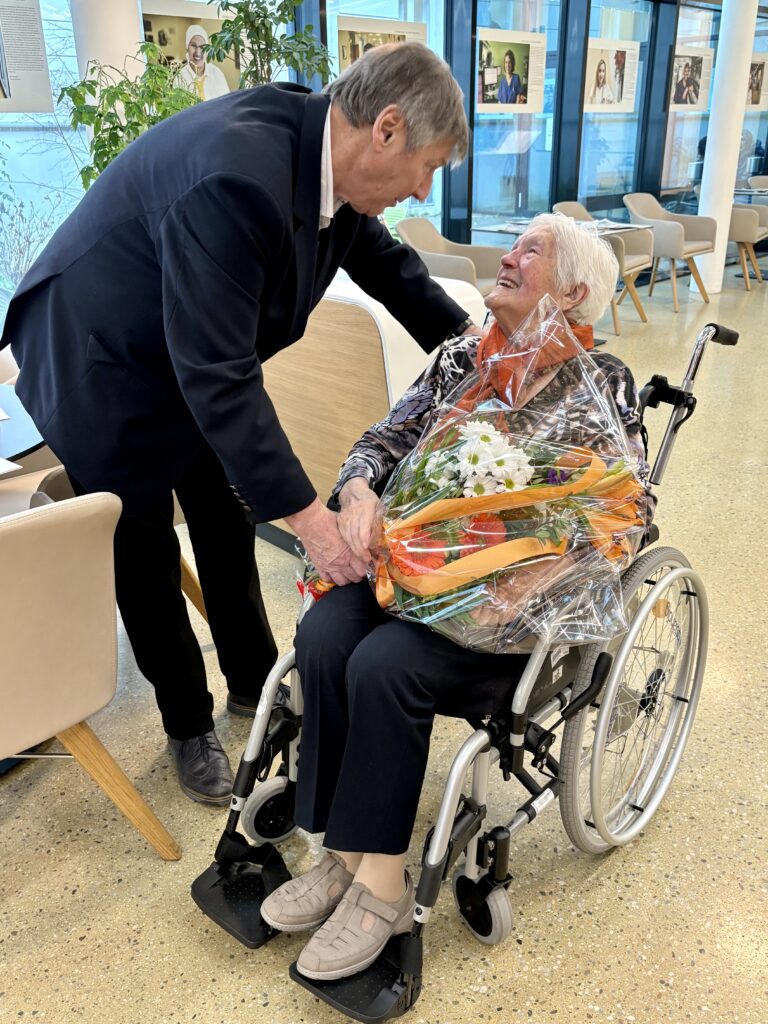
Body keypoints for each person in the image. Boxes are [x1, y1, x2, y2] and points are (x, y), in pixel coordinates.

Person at [0, 43, 474, 806]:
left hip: (182, 351)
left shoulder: (328, 161)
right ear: (386, 128)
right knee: (144, 549)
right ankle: (187, 723)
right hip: (99, 359)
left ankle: (254, 685)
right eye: (429, 167)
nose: (423, 190)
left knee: (224, 517)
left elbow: (393, 270)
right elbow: (219, 376)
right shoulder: (237, 176)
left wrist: (484, 358)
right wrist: (313, 523)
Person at [259, 213, 656, 981]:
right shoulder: (460, 359)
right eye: (514, 244)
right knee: (326, 634)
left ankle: (382, 886)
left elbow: (625, 514)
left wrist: (527, 578)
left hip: (510, 619)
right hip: (416, 575)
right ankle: (342, 855)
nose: (508, 256)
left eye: (531, 250)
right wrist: (358, 492)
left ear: (574, 292)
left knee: (382, 665)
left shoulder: (601, 384)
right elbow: (382, 438)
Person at [176, 24, 229, 101]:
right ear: (187, 47)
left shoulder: (217, 74)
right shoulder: (179, 78)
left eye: (202, 46)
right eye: (193, 45)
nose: (198, 52)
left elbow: (227, 103)